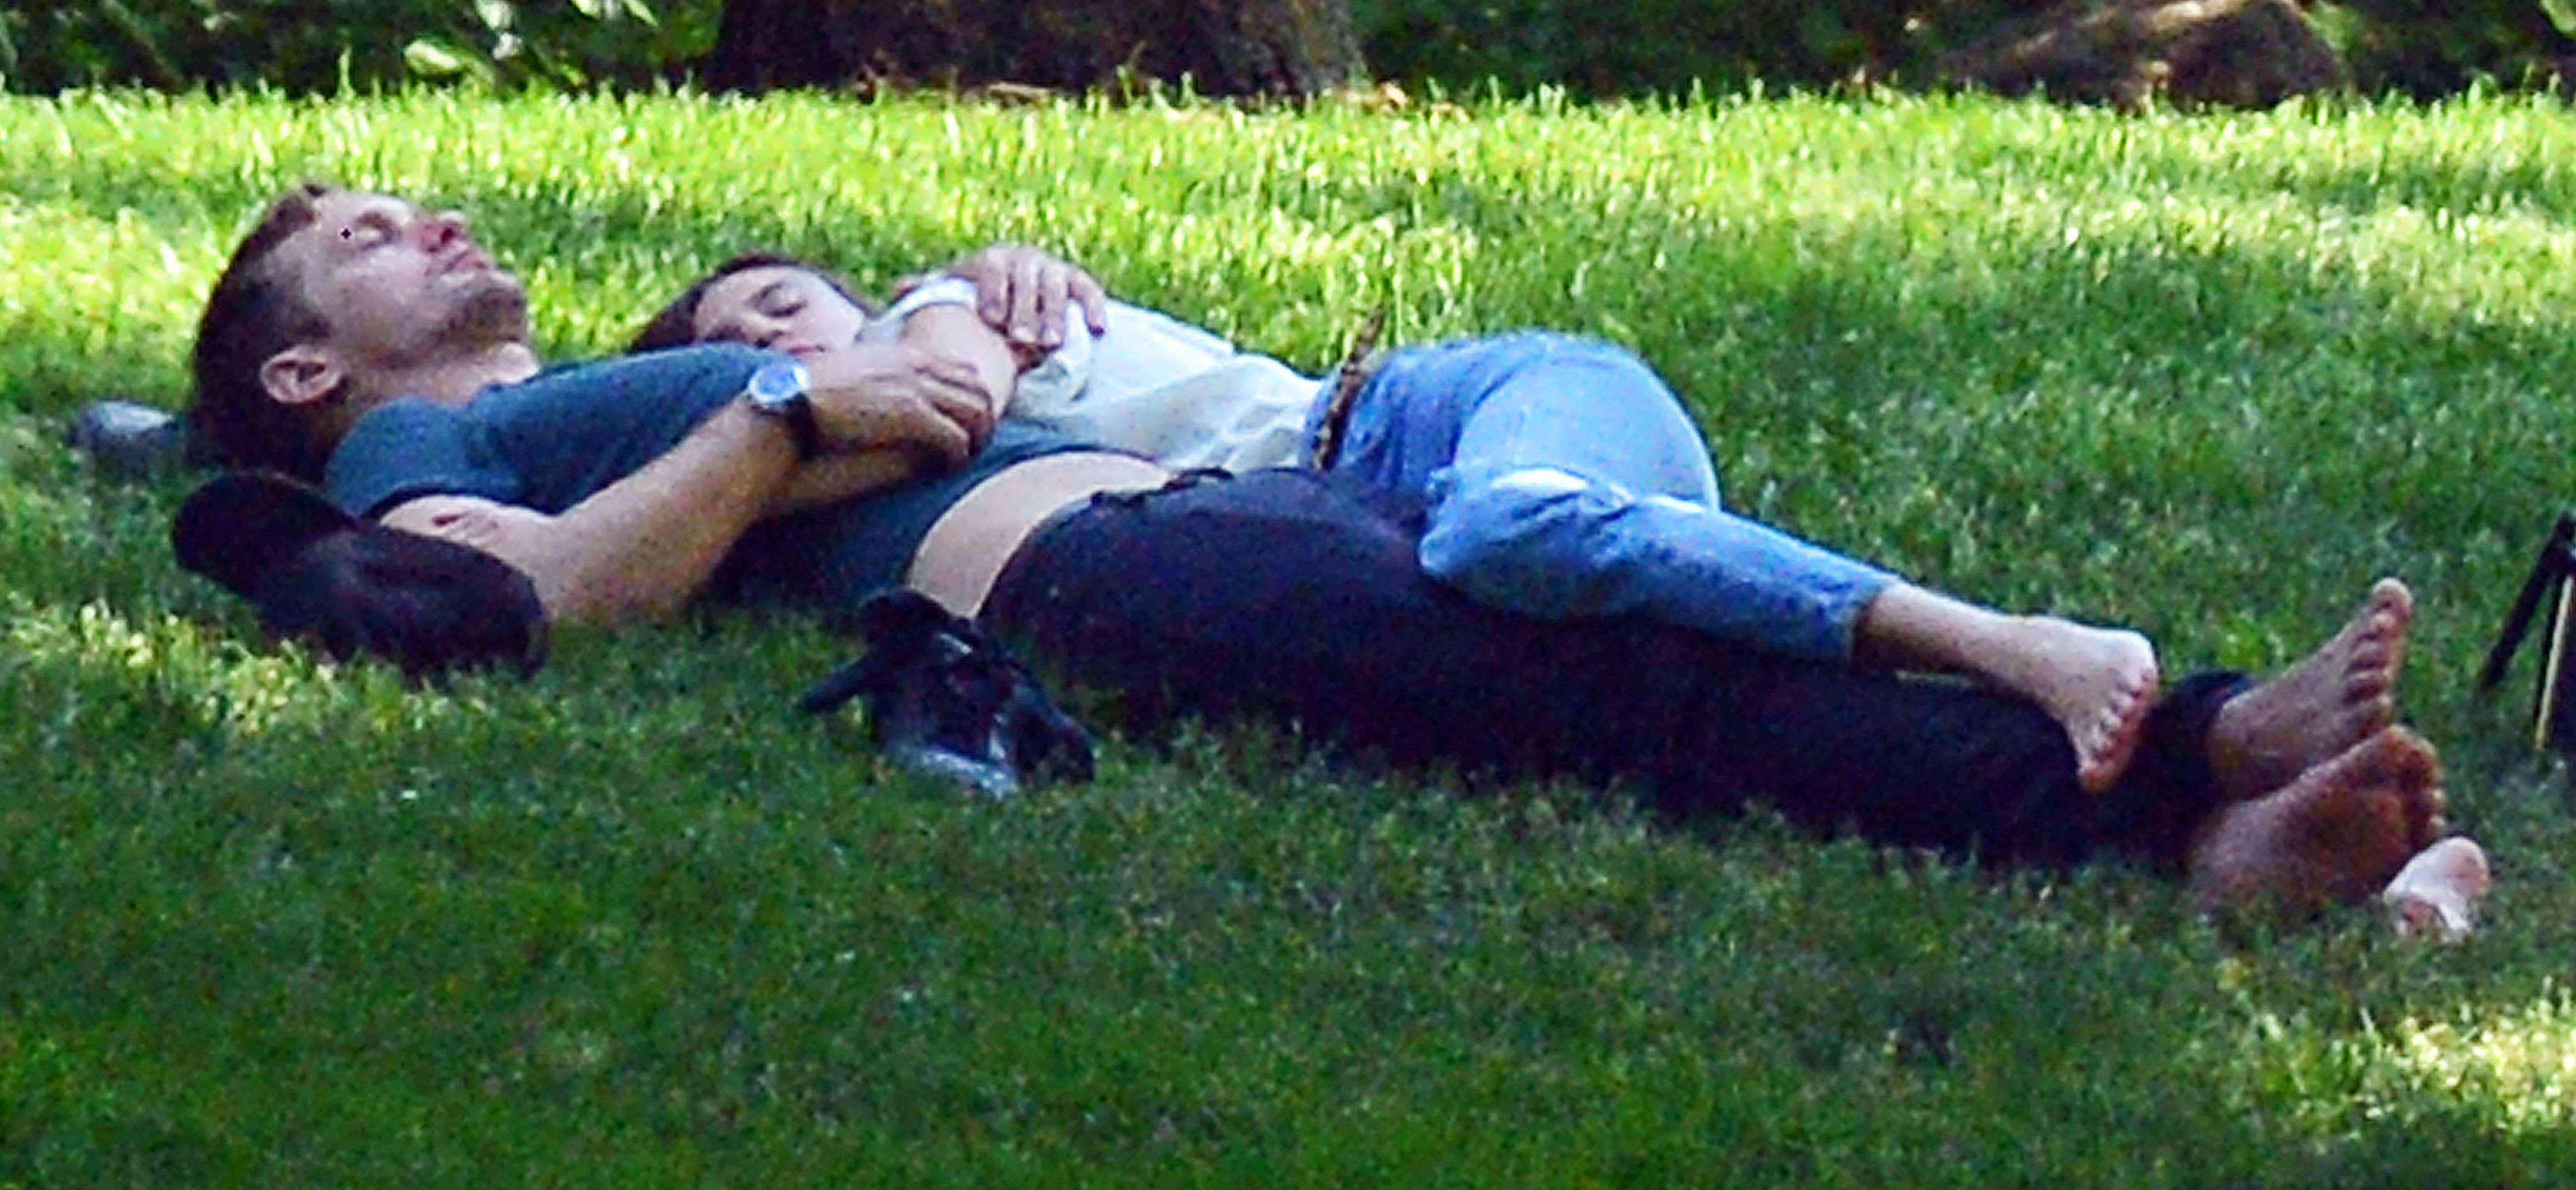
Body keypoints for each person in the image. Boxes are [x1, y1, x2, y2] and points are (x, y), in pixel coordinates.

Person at [184, 183, 2484, 923]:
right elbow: (534, 603)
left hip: (1226, 493)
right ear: (305, 371)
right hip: (1084, 571)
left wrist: (868, 358)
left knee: (1604, 594)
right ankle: (2182, 813)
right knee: (1613, 705)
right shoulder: (421, 455)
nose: (437, 222)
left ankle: (2198, 762)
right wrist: (796, 414)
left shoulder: (639, 373)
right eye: (367, 239)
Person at [630, 249, 2163, 792]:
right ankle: (2093, 751)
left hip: (1432, 419)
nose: (773, 341)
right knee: (1576, 619)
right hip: (1402, 493)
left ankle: (2010, 644)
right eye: (733, 341)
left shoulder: (939, 315)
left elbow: (947, 403)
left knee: (1512, 539)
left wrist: (784, 423)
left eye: (778, 303)